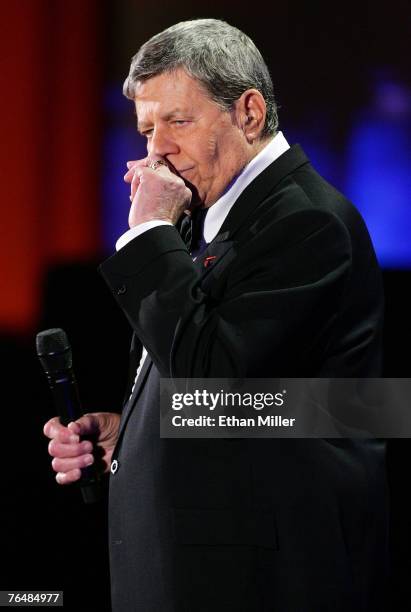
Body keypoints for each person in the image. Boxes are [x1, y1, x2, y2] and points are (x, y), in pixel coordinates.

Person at [43, 19, 388, 612]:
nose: (156, 150)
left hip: (254, 580)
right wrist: (136, 428)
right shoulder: (210, 218)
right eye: (147, 129)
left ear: (249, 114)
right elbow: (249, 398)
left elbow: (221, 376)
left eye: (177, 122)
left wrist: (148, 233)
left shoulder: (306, 222)